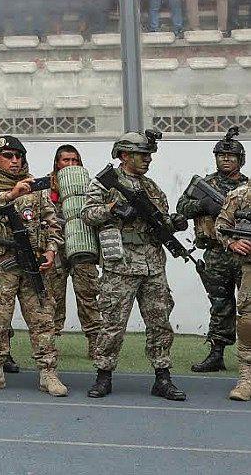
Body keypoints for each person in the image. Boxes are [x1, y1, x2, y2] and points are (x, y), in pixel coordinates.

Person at [82, 130, 186, 401]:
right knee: (113, 323)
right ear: (125, 155)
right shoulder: (105, 184)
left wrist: (173, 223)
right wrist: (112, 208)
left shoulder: (151, 187)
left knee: (160, 321)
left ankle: (162, 377)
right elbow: (87, 214)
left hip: (152, 265)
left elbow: (161, 219)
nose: (147, 160)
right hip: (121, 265)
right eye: (142, 155)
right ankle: (103, 375)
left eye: (149, 155)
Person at [0, 136, 66, 396]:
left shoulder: (36, 185)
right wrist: (12, 194)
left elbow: (51, 221)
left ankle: (48, 373)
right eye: (8, 156)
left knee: (43, 317)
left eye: (18, 156)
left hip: (33, 263)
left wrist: (50, 250)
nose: (14, 161)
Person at [177, 128, 247, 373]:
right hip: (216, 253)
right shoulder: (205, 184)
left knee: (248, 305)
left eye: (231, 155)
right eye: (221, 155)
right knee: (219, 304)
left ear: (241, 159)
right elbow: (182, 207)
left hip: (243, 253)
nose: (226, 159)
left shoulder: (247, 188)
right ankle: (217, 353)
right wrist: (202, 205)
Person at [43, 145, 102, 360]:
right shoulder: (45, 186)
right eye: (65, 160)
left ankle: (95, 342)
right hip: (55, 248)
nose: (70, 164)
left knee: (87, 294)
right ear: (57, 163)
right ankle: (48, 344)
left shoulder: (88, 185)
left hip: (81, 244)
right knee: (52, 297)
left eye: (74, 160)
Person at [215, 179, 251, 400]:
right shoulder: (241, 194)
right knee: (248, 323)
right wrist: (232, 243)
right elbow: (221, 226)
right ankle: (247, 380)